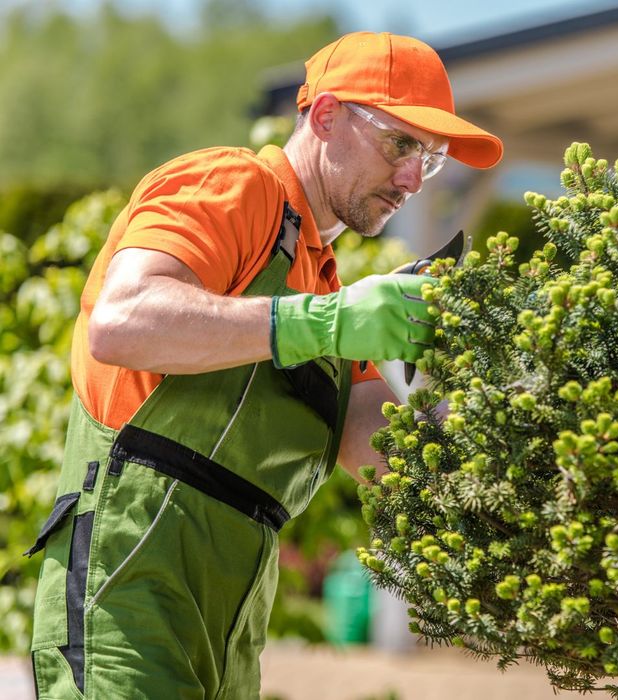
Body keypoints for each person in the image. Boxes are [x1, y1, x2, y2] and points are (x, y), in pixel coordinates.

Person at [27, 31, 502, 699]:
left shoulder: (328, 287)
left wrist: (507, 401)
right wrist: (326, 322)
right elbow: (121, 320)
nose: (410, 180)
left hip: (233, 627)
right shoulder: (232, 185)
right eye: (401, 145)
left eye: (430, 161)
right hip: (126, 590)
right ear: (328, 114)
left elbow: (385, 453)